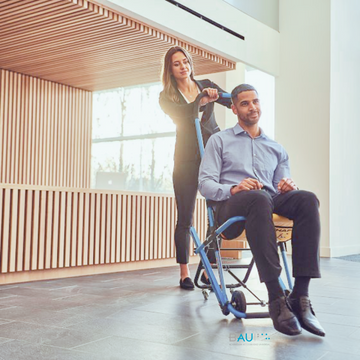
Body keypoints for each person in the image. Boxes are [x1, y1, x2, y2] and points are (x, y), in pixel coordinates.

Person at [198, 84, 325, 337]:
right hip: (232, 207)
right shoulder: (219, 140)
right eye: (245, 103)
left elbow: (280, 187)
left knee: (308, 199)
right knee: (257, 197)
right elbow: (205, 184)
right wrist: (234, 188)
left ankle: (300, 296)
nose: (252, 107)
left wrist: (288, 186)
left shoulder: (276, 148)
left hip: (266, 202)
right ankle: (277, 298)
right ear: (234, 108)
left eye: (255, 101)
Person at [159, 46, 232, 290]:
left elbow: (231, 100)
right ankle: (184, 272)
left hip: (212, 155)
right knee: (185, 217)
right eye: (176, 64)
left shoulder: (207, 84)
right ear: (170, 69)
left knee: (217, 213)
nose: (183, 66)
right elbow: (183, 114)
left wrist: (235, 98)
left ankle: (208, 267)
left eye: (185, 61)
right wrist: (202, 100)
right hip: (186, 159)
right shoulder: (166, 96)